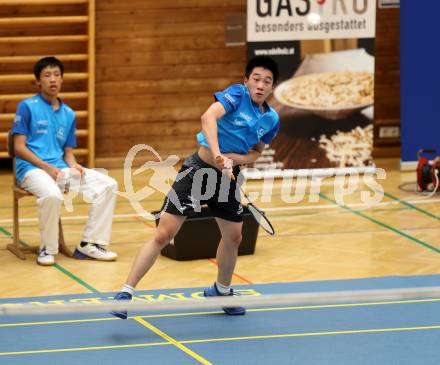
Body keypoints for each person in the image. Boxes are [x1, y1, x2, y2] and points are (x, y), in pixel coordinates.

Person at [111, 56, 279, 319]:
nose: (260, 85)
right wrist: (219, 154)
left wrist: (238, 160)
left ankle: (221, 291)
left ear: (272, 88)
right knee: (164, 234)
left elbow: (257, 151)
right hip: (198, 170)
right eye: (256, 79)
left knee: (234, 237)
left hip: (227, 178)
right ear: (246, 81)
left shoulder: (270, 118)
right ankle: (126, 292)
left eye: (266, 82)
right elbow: (208, 117)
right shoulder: (236, 95)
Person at [12, 56, 118, 266]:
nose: (53, 79)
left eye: (57, 75)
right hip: (31, 169)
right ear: (38, 82)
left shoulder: (69, 114)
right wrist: (47, 168)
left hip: (59, 169)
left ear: (62, 80)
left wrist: (73, 165)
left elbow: (67, 152)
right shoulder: (27, 107)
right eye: (47, 75)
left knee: (108, 185)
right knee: (51, 194)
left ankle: (91, 244)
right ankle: (47, 249)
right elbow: (18, 147)